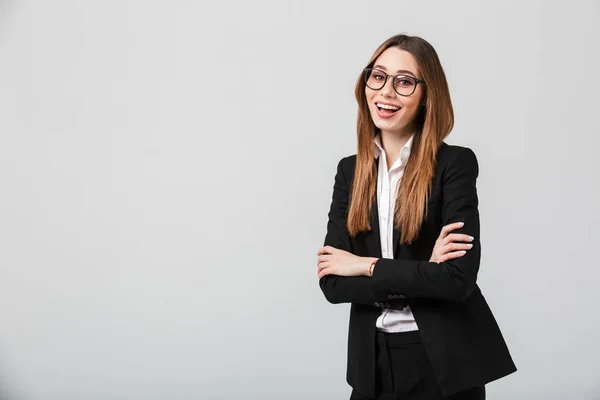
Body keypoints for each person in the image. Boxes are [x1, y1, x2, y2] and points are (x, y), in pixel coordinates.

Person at [316, 34, 517, 400]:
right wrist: (426, 271)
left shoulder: (453, 165)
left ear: (427, 95)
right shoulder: (350, 172)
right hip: (371, 363)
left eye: (404, 82)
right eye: (377, 76)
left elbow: (457, 280)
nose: (386, 91)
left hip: (443, 362)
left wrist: (365, 265)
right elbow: (333, 283)